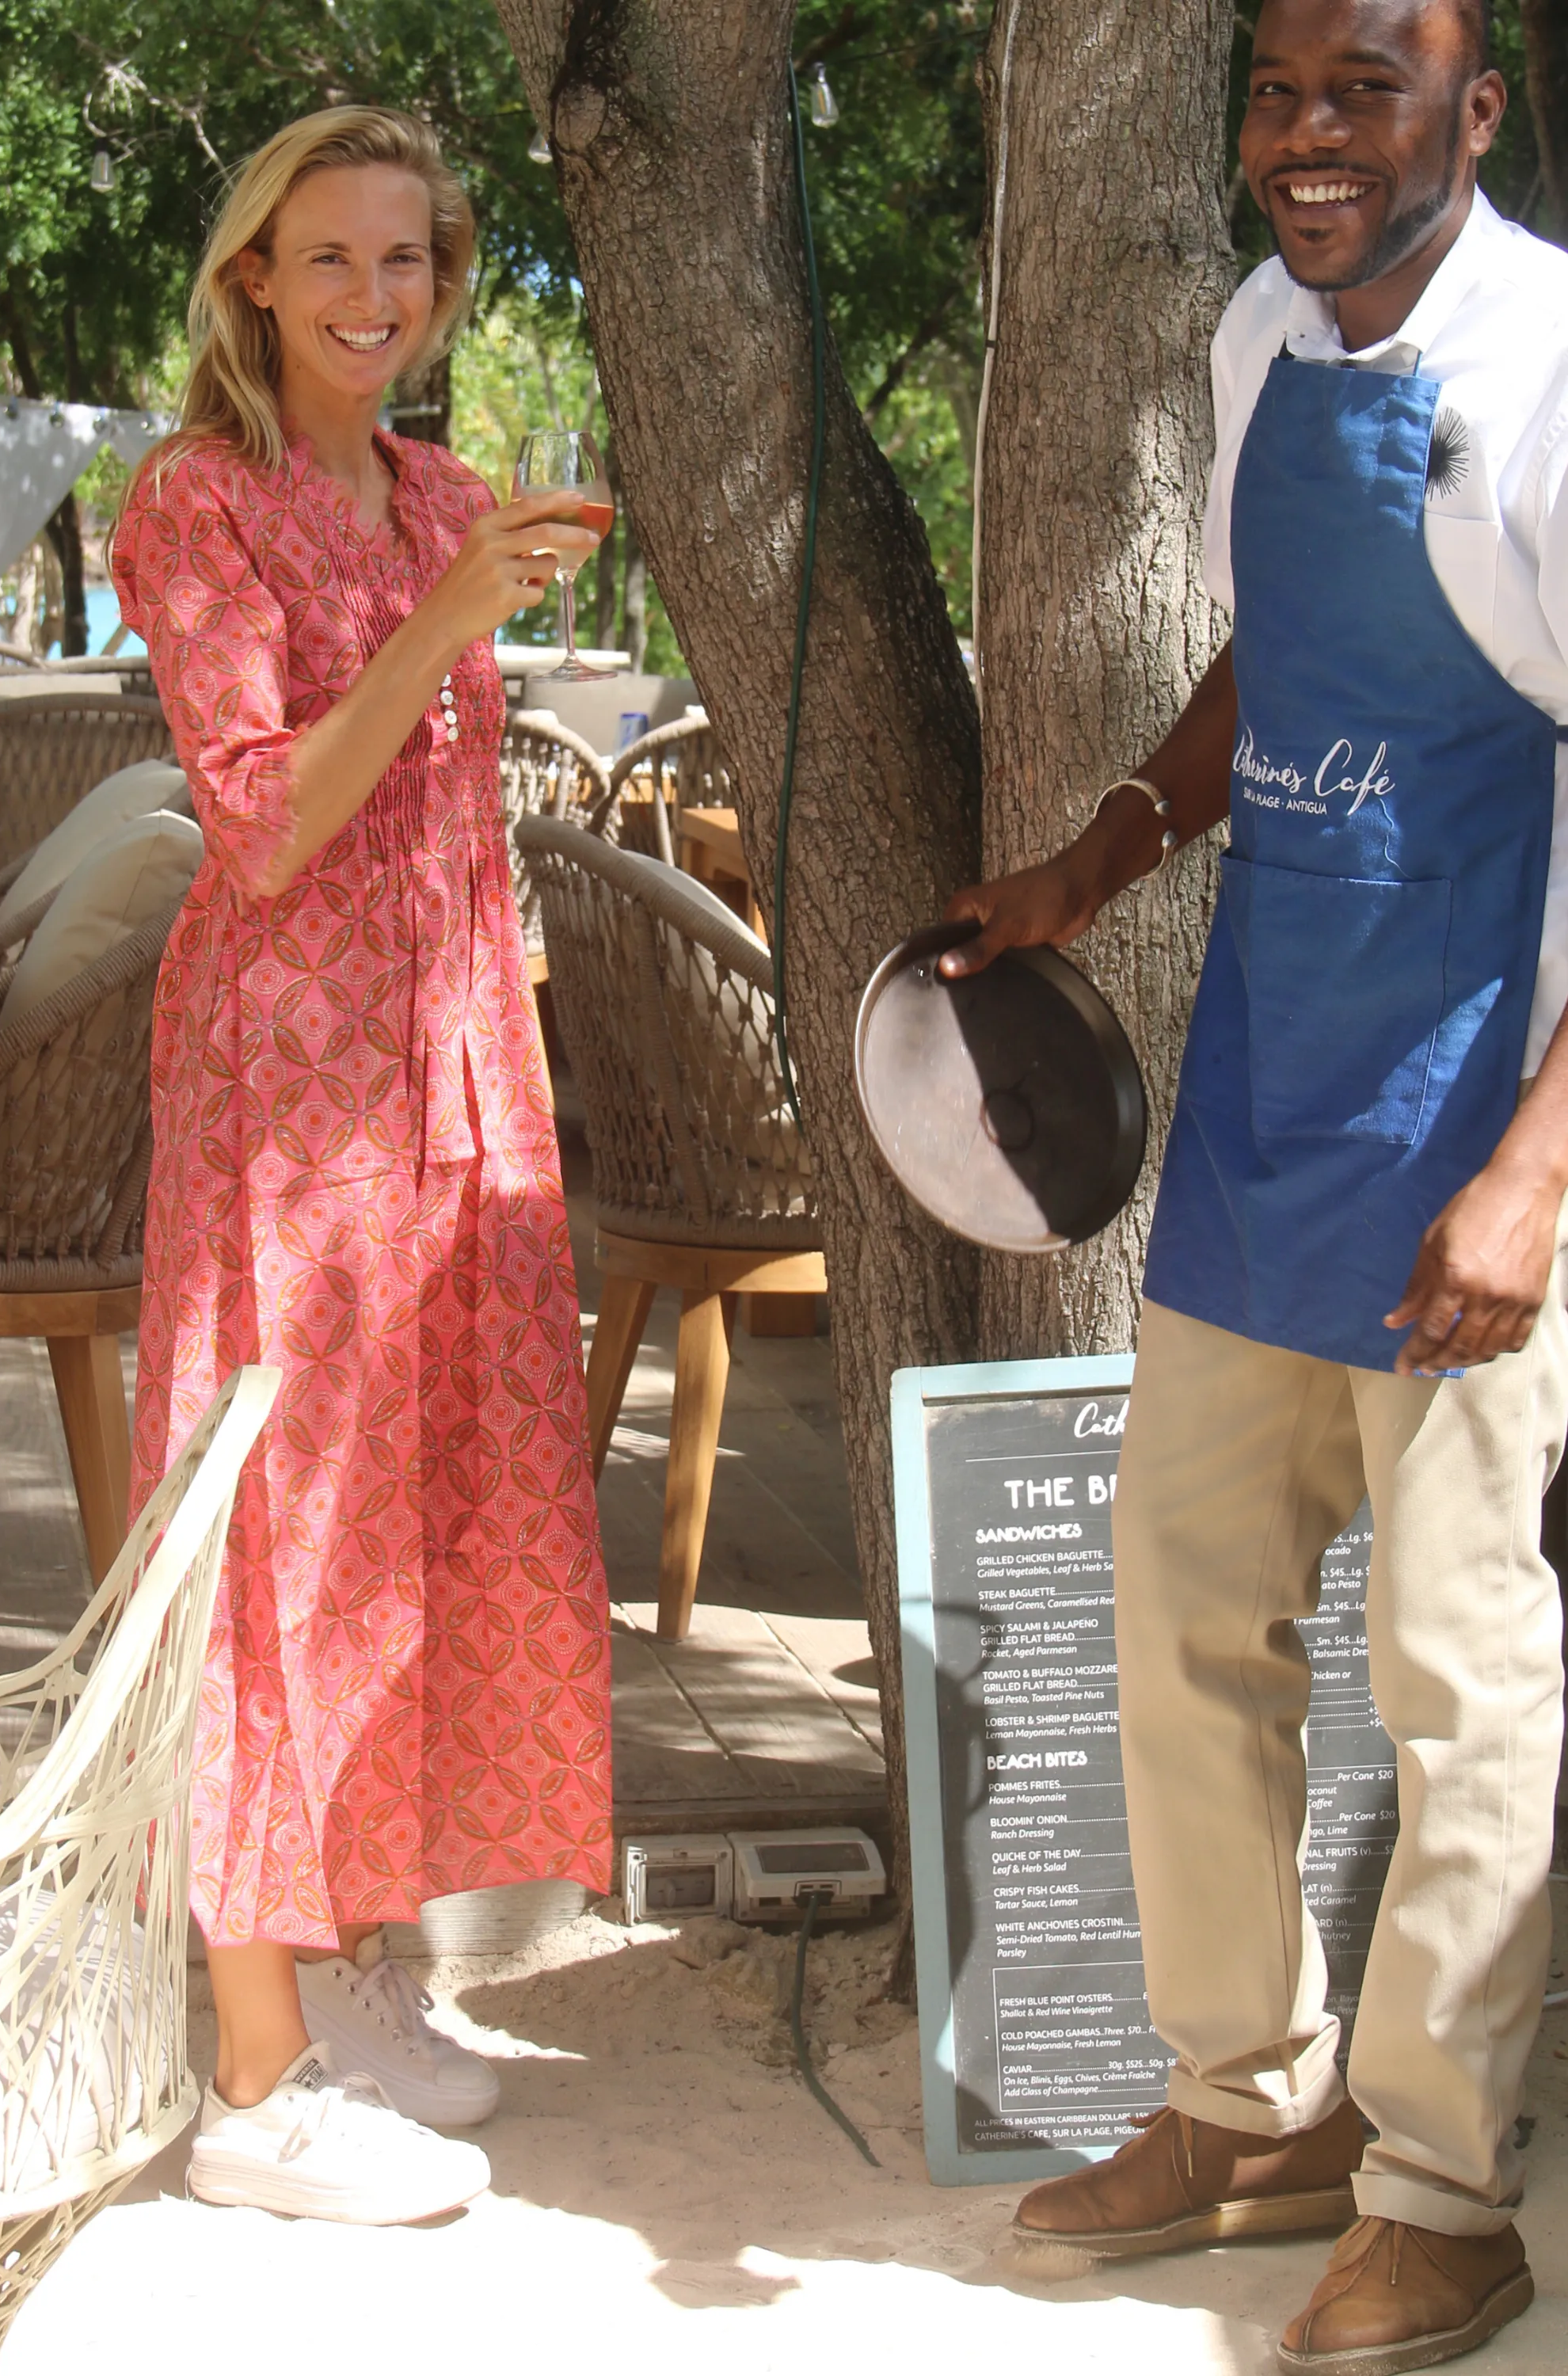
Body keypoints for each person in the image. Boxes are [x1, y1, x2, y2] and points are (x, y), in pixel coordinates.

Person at [943, 2, 1568, 2366]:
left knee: (1457, 1669)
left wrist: (1529, 1179)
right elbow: (1277, 657)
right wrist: (1107, 850)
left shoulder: (1554, 370)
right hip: (1269, 1091)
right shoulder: (1258, 336)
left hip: (1480, 1113)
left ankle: (1437, 2184)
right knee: (1182, 1605)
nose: (1308, 141)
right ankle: (1245, 2099)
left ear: (1472, 115)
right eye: (1281, 93)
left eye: (1366, 94)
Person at [112, 107, 611, 2226]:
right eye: (329, 261)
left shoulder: (441, 490)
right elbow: (268, 819)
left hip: (444, 1063)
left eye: (407, 263)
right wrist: (447, 617)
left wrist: (501, 1060)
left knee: (424, 1509)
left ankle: (363, 1960)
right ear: (253, 277)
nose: (373, 301)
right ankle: (251, 2080)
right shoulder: (193, 505)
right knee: (276, 1533)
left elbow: (448, 817)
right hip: (287, 1089)